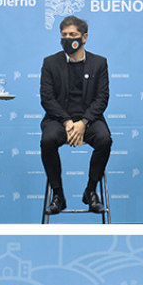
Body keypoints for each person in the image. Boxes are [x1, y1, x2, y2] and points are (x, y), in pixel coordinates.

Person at [40, 15, 112, 216]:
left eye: (72, 34)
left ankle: (90, 191)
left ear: (84, 37)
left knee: (105, 140)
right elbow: (47, 99)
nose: (67, 38)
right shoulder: (50, 63)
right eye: (64, 35)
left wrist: (84, 122)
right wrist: (67, 121)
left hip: (90, 120)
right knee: (48, 140)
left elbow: (102, 98)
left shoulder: (99, 63)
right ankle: (58, 195)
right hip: (58, 120)